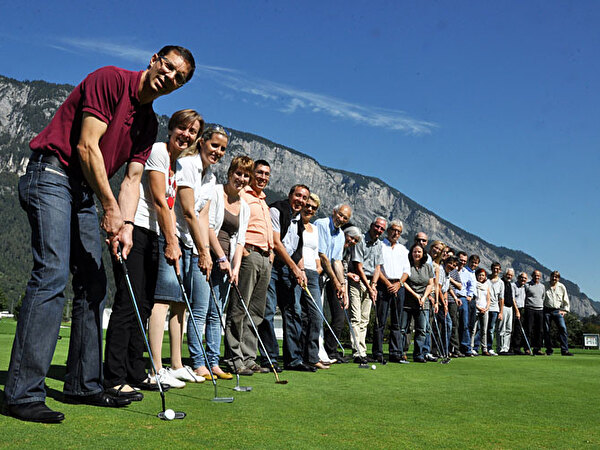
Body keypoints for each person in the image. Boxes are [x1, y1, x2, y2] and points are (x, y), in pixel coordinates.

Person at [5, 45, 195, 423]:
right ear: (154, 60)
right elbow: (86, 146)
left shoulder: (148, 124)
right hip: (52, 175)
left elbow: (133, 179)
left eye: (179, 78)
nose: (170, 77)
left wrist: (123, 224)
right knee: (52, 274)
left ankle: (82, 384)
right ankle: (22, 392)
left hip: (86, 192)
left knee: (94, 285)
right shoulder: (111, 79)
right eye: (169, 67)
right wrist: (110, 209)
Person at [104, 109, 203, 401]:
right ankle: (114, 376)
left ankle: (136, 371)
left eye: (192, 132)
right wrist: (172, 244)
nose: (186, 135)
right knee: (128, 302)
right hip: (135, 230)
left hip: (154, 236)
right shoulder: (159, 151)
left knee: (144, 305)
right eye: (183, 129)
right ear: (172, 128)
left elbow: (171, 207)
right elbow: (160, 201)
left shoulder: (180, 166)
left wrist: (170, 240)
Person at [147, 123, 227, 387]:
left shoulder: (211, 177)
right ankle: (156, 366)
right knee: (164, 300)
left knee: (181, 304)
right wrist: (204, 251)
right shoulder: (188, 165)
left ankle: (177, 364)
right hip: (172, 237)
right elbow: (188, 211)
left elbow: (203, 219)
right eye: (214, 145)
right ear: (202, 142)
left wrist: (204, 251)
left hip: (191, 244)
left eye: (223, 149)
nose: (217, 152)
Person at [225, 160, 274, 375]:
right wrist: (243, 249)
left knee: (255, 312)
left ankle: (248, 357)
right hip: (249, 254)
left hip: (264, 257)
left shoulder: (263, 200)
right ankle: (234, 358)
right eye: (259, 173)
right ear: (251, 174)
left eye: (267, 174)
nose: (263, 177)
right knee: (239, 308)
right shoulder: (243, 194)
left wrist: (271, 253)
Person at [206, 155, 254, 379]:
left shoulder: (244, 206)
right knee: (201, 311)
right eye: (238, 173)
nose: (241, 178)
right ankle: (200, 363)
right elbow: (207, 226)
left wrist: (235, 267)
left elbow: (240, 240)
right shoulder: (216, 192)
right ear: (230, 173)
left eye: (246, 175)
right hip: (208, 255)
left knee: (216, 313)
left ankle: (213, 362)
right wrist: (220, 258)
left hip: (227, 265)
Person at [263, 184, 313, 372]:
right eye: (297, 195)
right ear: (290, 195)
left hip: (289, 269)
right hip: (273, 266)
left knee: (293, 311)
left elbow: (297, 250)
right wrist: (294, 268)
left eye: (304, 197)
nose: (300, 200)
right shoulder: (277, 209)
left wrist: (302, 272)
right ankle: (270, 358)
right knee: (268, 311)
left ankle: (293, 359)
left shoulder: (299, 220)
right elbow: (276, 243)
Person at [315, 204, 352, 363]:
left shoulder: (341, 235)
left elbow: (336, 261)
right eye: (341, 215)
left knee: (334, 315)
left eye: (345, 218)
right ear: (334, 211)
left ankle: (326, 351)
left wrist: (342, 285)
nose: (342, 219)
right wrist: (337, 282)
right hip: (316, 272)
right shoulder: (321, 224)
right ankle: (315, 352)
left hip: (329, 275)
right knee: (316, 315)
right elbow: (322, 256)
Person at [348, 217, 386, 363]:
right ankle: (357, 352)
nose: (379, 230)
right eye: (377, 227)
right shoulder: (361, 240)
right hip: (357, 279)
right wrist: (370, 287)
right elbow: (358, 266)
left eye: (382, 229)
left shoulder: (379, 245)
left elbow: (378, 267)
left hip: (371, 282)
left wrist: (374, 285)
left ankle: (362, 352)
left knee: (365, 319)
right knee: (356, 317)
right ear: (372, 226)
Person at [298, 193, 329, 369]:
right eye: (307, 205)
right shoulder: (294, 224)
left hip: (312, 274)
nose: (309, 209)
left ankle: (312, 355)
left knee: (316, 316)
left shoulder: (315, 229)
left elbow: (318, 256)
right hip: (296, 271)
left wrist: (317, 271)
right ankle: (300, 356)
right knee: (300, 316)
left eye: (313, 207)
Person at [373, 220, 410, 364]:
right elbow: (378, 268)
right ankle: (378, 353)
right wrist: (389, 284)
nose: (396, 233)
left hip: (399, 286)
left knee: (397, 322)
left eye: (399, 231)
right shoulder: (380, 246)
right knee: (380, 321)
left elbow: (406, 271)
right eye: (394, 230)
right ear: (388, 230)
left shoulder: (403, 250)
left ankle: (395, 353)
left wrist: (399, 284)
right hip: (384, 285)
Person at [401, 243, 434, 362]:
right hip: (408, 301)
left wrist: (424, 297)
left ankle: (418, 354)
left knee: (421, 330)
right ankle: (402, 352)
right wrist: (416, 295)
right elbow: (403, 282)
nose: (417, 254)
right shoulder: (407, 265)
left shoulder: (428, 267)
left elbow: (430, 284)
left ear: (423, 253)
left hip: (423, 302)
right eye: (415, 251)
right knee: (404, 329)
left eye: (419, 252)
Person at [543, 271, 573, 356]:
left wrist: (565, 310)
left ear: (558, 278)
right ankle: (549, 350)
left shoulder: (561, 287)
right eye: (553, 276)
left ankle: (564, 350)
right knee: (546, 330)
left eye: (556, 277)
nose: (554, 278)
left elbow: (565, 299)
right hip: (546, 310)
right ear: (550, 277)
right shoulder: (545, 286)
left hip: (557, 311)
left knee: (563, 328)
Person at [524, 270, 545, 355]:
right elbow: (524, 297)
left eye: (538, 276)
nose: (537, 277)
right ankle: (527, 348)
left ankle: (538, 348)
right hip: (529, 309)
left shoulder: (542, 286)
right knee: (528, 329)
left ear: (540, 277)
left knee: (539, 330)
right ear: (532, 276)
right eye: (535, 275)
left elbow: (543, 297)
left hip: (539, 309)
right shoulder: (527, 285)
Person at [486, 262, 504, 356]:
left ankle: (489, 348)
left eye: (497, 269)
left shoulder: (501, 283)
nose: (495, 270)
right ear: (491, 269)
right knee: (481, 328)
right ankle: (479, 347)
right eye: (494, 268)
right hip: (485, 307)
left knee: (491, 329)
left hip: (494, 308)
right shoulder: (486, 279)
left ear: (500, 270)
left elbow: (501, 298)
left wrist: (501, 312)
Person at [471, 268, 490, 355]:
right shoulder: (474, 284)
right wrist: (478, 308)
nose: (481, 277)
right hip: (476, 309)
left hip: (485, 310)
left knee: (484, 330)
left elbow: (488, 299)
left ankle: (484, 349)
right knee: (473, 329)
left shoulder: (486, 285)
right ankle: (470, 347)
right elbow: (473, 299)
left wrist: (486, 308)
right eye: (479, 275)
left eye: (483, 275)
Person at [497, 268, 516, 355]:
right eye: (508, 274)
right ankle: (500, 348)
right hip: (503, 307)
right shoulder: (501, 282)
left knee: (509, 329)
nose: (509, 276)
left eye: (511, 275)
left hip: (510, 307)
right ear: (504, 274)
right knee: (502, 328)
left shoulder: (510, 284)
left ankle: (506, 348)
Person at [511, 272, 527, 354]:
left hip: (522, 309)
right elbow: (513, 299)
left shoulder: (525, 287)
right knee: (514, 329)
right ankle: (513, 348)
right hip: (514, 309)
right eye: (521, 277)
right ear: (518, 278)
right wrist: (517, 310)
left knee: (519, 330)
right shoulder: (513, 285)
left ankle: (517, 347)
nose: (523, 279)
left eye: (525, 278)